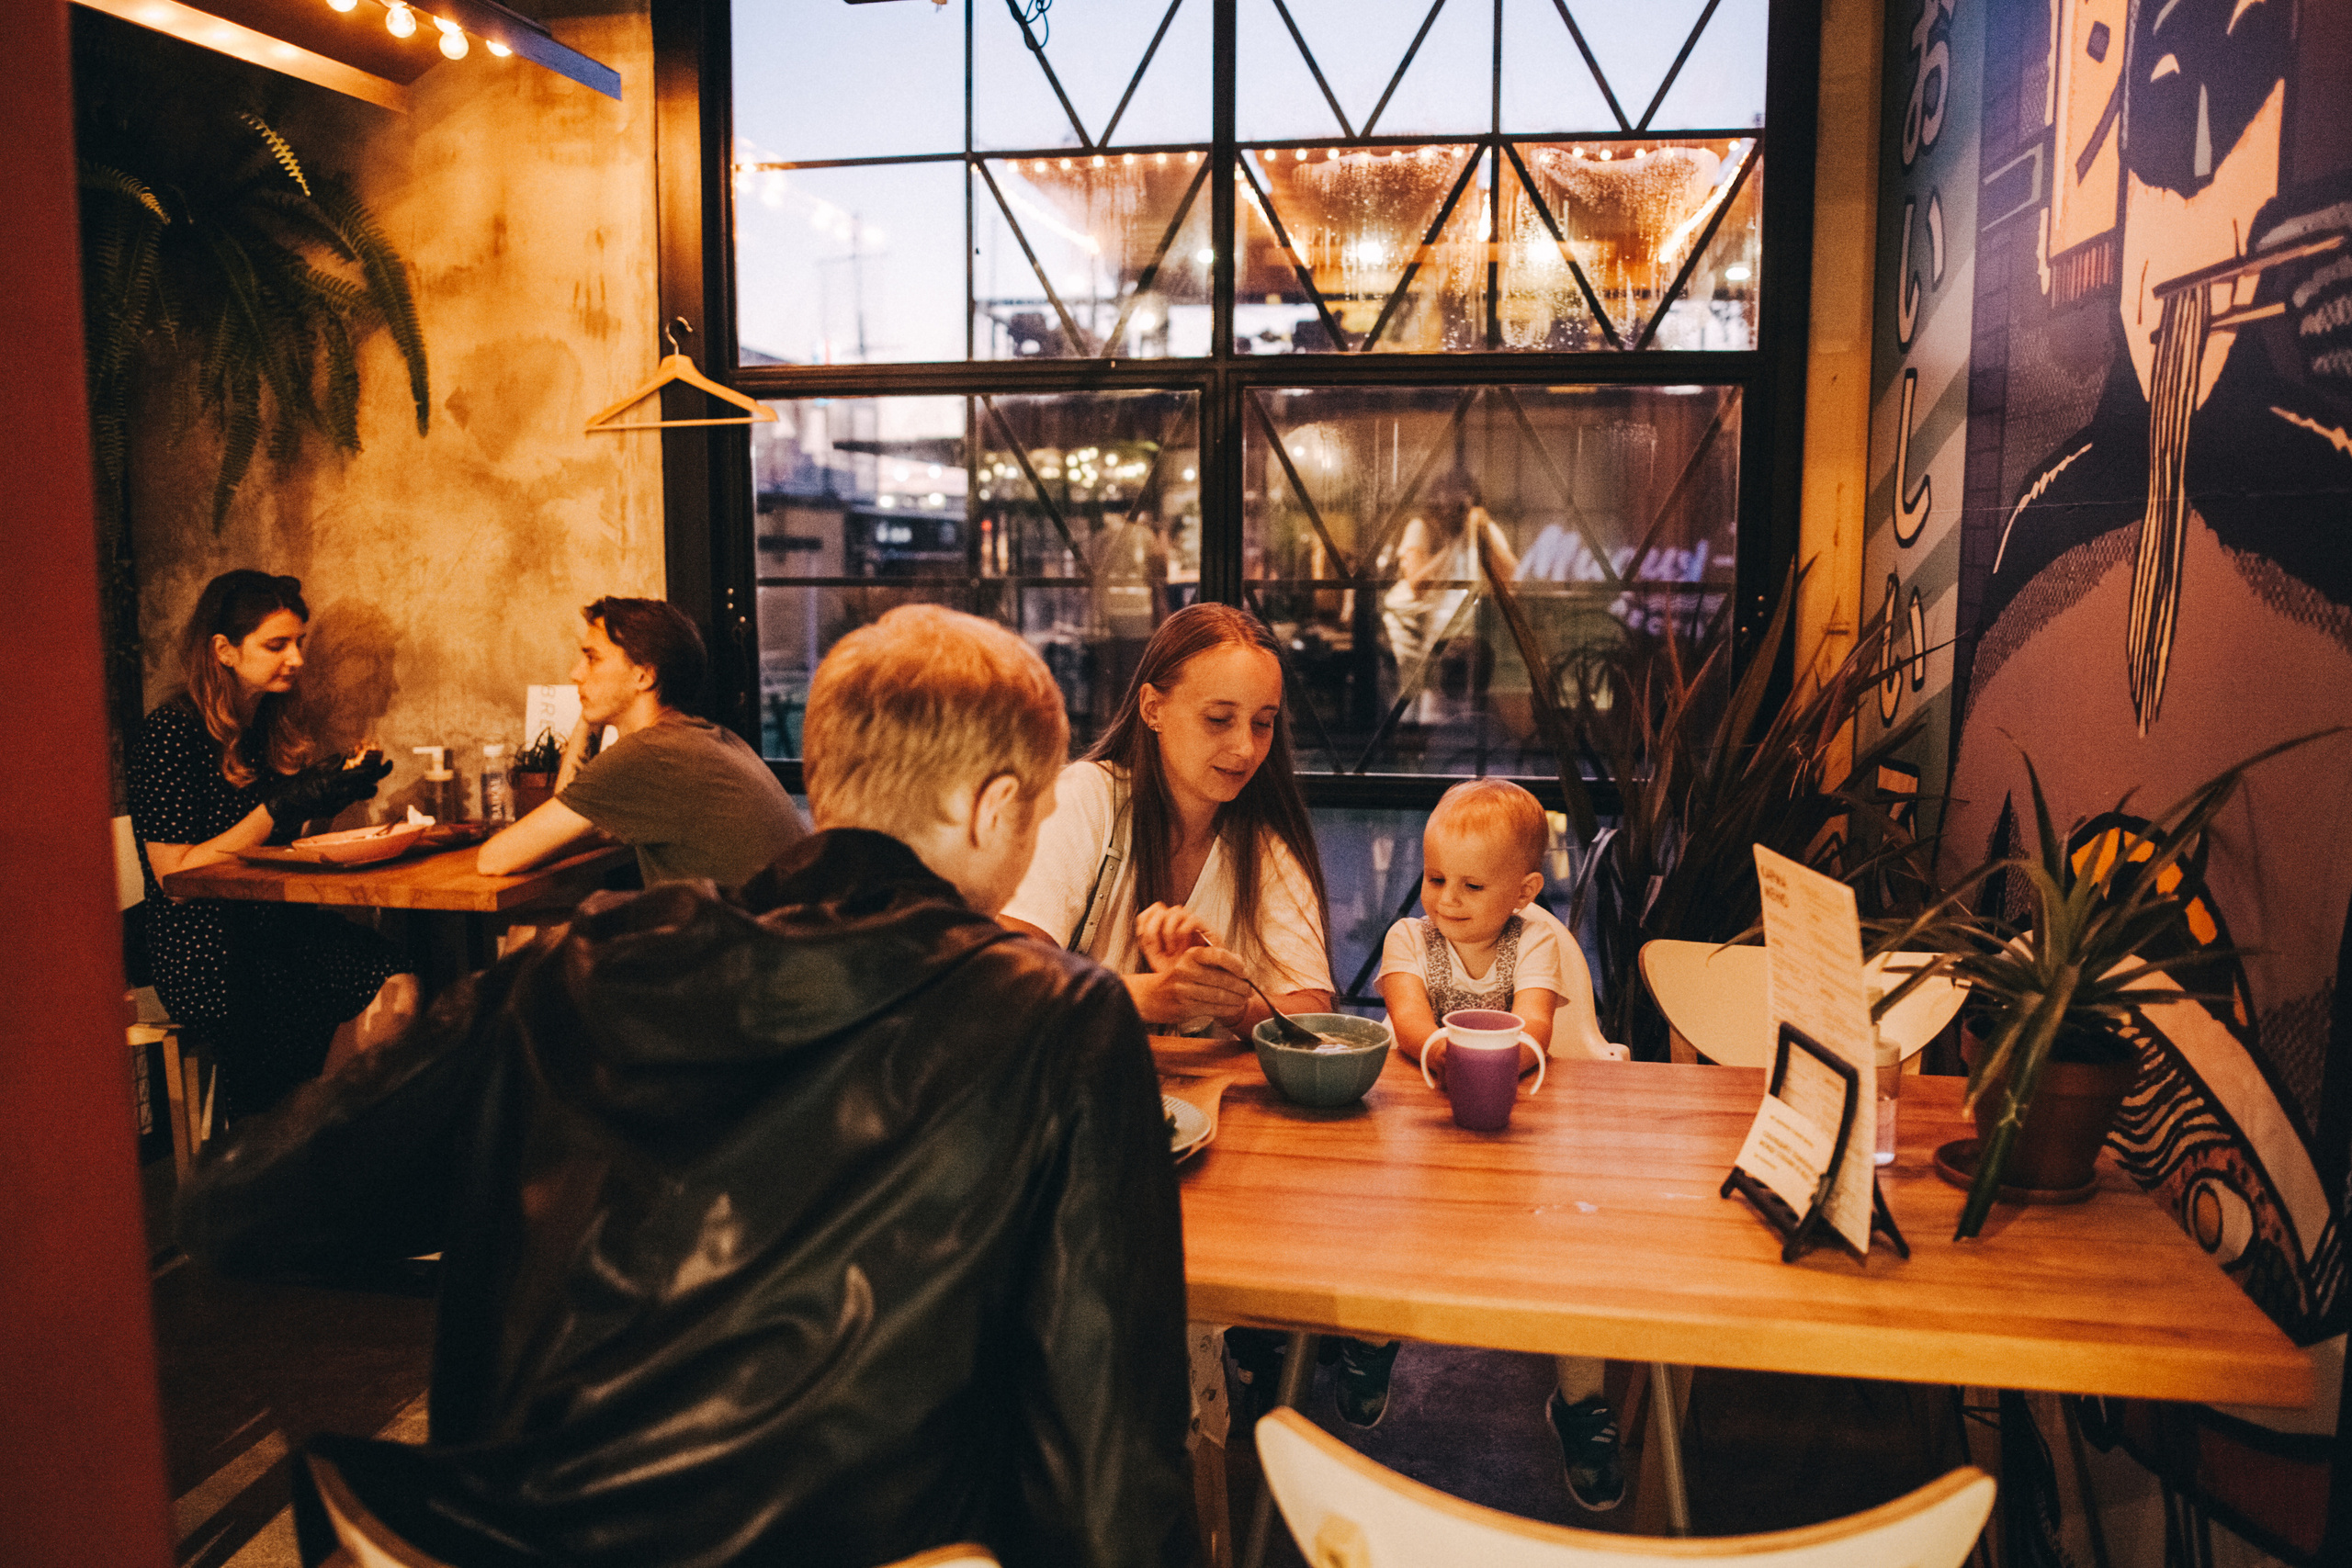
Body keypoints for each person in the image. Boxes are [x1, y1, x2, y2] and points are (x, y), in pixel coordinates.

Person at [178, 604, 1198, 1568]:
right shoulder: (1056, 1015)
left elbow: (242, 1205)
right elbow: (1107, 1452)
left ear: (831, 785)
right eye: (1037, 820)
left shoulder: (581, 964)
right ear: (995, 810)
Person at [997, 602, 1342, 1429]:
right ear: (1152, 707)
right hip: (1063, 1132)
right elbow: (1004, 964)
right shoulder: (1089, 801)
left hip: (1203, 1152)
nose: (1244, 749)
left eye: (1262, 724)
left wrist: (1230, 1000)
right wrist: (1143, 995)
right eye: (1219, 719)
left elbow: (1309, 1012)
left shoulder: (1262, 839)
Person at [1375, 778, 1629, 1510]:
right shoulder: (1408, 939)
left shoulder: (1539, 939)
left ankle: (1580, 1403)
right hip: (1424, 1130)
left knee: (1578, 1250)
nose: (1446, 899)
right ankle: (1370, 1337)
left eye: (1471, 884)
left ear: (1522, 891)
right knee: (1376, 1217)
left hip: (1522, 1135)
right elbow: (1409, 1016)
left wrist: (1486, 1064)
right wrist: (1443, 1057)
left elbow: (1537, 1029)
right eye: (1435, 878)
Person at [130, 570, 417, 1122]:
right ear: (224, 651)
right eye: (276, 644)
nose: (297, 660)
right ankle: (286, 1148)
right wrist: (281, 805)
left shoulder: (266, 723)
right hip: (204, 945)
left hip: (275, 922)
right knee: (288, 998)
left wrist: (326, 799)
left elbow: (280, 847)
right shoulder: (171, 733)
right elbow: (176, 879)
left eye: (299, 643)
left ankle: (317, 1138)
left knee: (397, 976)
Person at [476, 597, 805, 891]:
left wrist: (589, 715)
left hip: (747, 953)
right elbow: (573, 823)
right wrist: (589, 716)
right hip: (785, 941)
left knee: (538, 932)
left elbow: (495, 859)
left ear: (643, 677)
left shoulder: (647, 755)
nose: (576, 673)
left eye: (592, 659)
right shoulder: (705, 738)